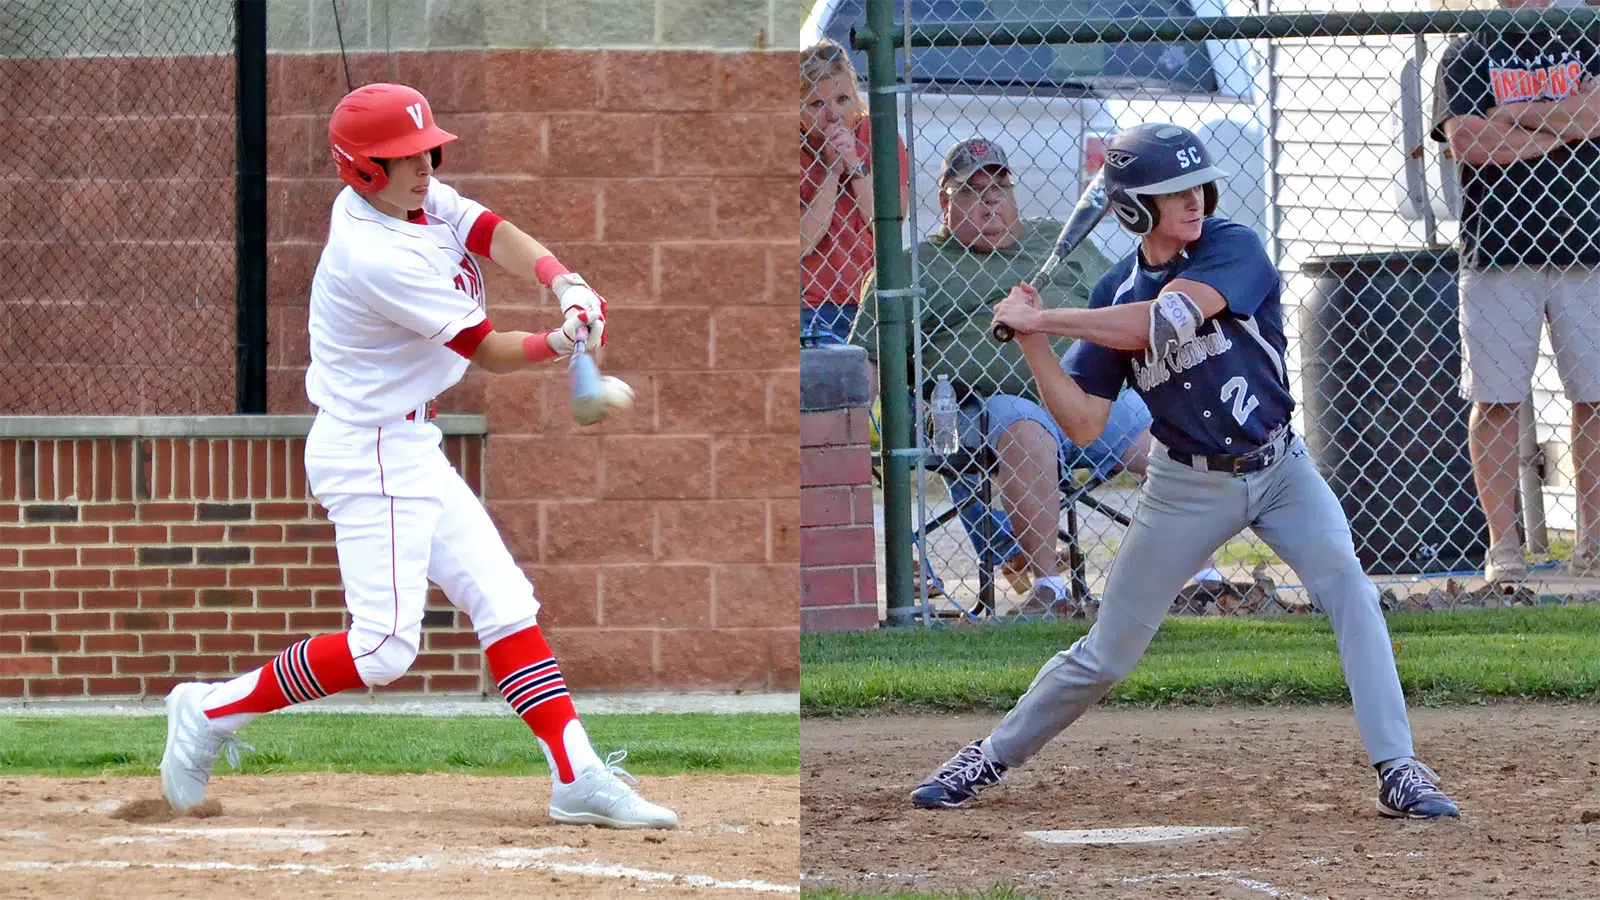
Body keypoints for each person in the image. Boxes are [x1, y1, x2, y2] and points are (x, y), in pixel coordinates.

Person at [156, 83, 677, 830]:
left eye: (426, 150)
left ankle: (578, 776)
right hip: (368, 448)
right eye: (404, 158)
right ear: (365, 171)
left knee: (505, 601)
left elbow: (488, 227)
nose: (425, 166)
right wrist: (562, 341)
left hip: (408, 441)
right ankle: (208, 711)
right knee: (383, 649)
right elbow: (489, 351)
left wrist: (565, 282)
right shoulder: (374, 255)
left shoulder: (417, 198)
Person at [908, 123, 1460, 820]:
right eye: (1172, 192)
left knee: (1350, 589)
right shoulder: (1113, 291)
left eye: (1197, 186)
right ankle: (989, 756)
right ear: (1136, 207)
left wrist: (1048, 316)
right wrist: (1035, 343)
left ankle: (1399, 767)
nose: (1193, 201)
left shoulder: (1234, 249)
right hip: (1183, 487)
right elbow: (1081, 423)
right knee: (1108, 653)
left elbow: (1165, 320)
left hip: (1281, 468)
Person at [854, 137, 1219, 613]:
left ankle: (1203, 578)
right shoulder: (910, 266)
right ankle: (1050, 589)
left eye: (998, 188)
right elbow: (871, 362)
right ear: (945, 201)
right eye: (971, 191)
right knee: (1023, 425)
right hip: (973, 408)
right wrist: (852, 432)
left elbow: (1129, 306)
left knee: (1165, 443)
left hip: (1087, 391)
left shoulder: (1055, 240)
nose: (988, 201)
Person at [1431, 0, 1600, 583]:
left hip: (1588, 246)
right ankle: (1504, 550)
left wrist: (1517, 116)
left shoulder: (1588, 32)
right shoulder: (1469, 49)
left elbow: (1599, 111)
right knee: (1497, 400)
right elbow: (1469, 142)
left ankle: (1594, 543)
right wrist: (1562, 120)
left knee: (1595, 398)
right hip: (1498, 253)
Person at [801, 38, 907, 345]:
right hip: (811, 307)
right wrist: (833, 171)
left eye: (842, 99)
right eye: (817, 104)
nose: (832, 116)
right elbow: (803, 242)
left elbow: (891, 218)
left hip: (872, 301)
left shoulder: (876, 135)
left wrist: (854, 165)